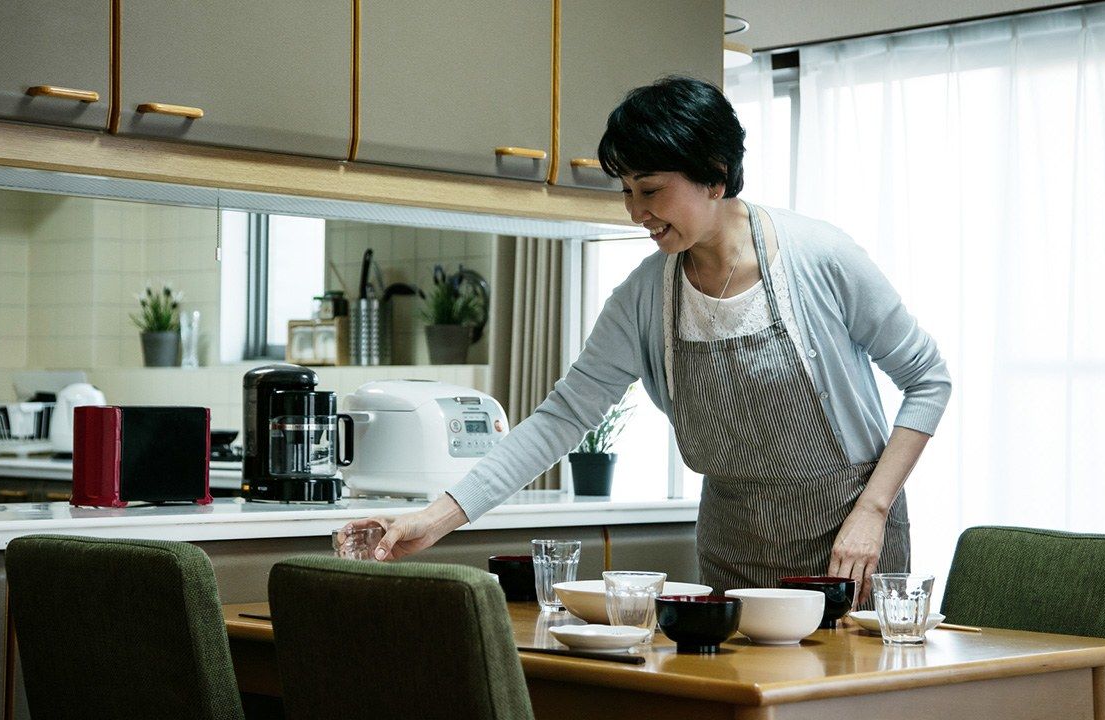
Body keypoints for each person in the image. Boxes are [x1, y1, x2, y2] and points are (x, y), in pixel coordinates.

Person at [340, 76, 950, 604]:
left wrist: (872, 512)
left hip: (849, 548)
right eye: (626, 189)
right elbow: (559, 419)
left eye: (650, 189)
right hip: (732, 551)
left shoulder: (823, 257)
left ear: (714, 177)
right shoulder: (642, 297)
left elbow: (928, 381)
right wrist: (434, 519)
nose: (634, 210)